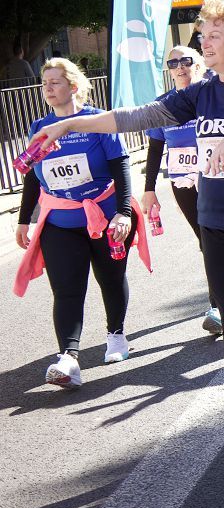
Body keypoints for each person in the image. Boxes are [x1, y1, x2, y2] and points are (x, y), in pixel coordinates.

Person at [28, 0, 224, 452]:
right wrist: (71, 124)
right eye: (202, 35)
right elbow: (136, 116)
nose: (203, 41)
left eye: (213, 35)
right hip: (215, 221)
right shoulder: (199, 93)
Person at [14, 58, 149, 388]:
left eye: (56, 82)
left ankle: (116, 335)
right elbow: (33, 176)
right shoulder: (39, 127)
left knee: (110, 277)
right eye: (45, 83)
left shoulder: (96, 120)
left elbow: (121, 166)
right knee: (66, 289)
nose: (48, 88)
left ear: (73, 86)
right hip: (60, 220)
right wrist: (23, 220)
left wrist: (123, 213)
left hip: (104, 216)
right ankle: (69, 359)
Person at [141, 46, 221, 335]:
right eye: (173, 62)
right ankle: (223, 301)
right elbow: (155, 147)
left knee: (215, 237)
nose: (179, 66)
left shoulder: (212, 96)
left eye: (186, 60)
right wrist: (149, 190)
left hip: (216, 176)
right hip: (182, 180)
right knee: (205, 237)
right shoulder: (164, 104)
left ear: (198, 64)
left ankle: (220, 304)